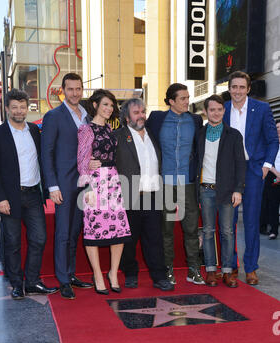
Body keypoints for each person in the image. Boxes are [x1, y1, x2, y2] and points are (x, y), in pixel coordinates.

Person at [0, 89, 58, 300]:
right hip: (10, 197)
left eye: (22, 107)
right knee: (12, 243)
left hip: (34, 194)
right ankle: (17, 284)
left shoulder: (35, 131)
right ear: (7, 108)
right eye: (14, 107)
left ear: (28, 108)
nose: (19, 111)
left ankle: (33, 281)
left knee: (39, 238)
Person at [223, 71, 279, 285]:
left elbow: (273, 140)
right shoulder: (223, 109)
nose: (237, 91)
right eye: (234, 87)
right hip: (228, 173)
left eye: (241, 87)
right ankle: (231, 266)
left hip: (255, 171)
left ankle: (251, 268)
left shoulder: (262, 108)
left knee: (251, 221)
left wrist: (266, 167)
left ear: (248, 89)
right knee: (228, 223)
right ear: (229, 89)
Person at [146, 83, 204, 286]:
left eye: (188, 98)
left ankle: (194, 269)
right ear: (171, 101)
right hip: (165, 182)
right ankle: (167, 269)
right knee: (166, 229)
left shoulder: (196, 120)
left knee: (190, 228)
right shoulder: (156, 119)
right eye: (183, 98)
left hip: (188, 182)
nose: (187, 101)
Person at [41, 73, 93, 299]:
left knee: (74, 231)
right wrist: (52, 185)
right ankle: (63, 279)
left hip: (83, 183)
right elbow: (46, 153)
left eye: (78, 89)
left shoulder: (86, 115)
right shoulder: (53, 116)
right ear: (63, 90)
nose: (75, 93)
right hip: (62, 182)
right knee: (62, 232)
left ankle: (70, 274)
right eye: (70, 89)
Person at [112, 98, 173, 291]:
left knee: (154, 239)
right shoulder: (118, 137)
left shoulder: (152, 135)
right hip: (130, 194)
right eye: (136, 112)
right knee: (129, 239)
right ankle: (130, 273)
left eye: (143, 111)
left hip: (152, 195)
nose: (141, 116)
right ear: (126, 116)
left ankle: (159, 277)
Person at [77, 89, 131, 294]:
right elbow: (82, 162)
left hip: (113, 181)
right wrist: (88, 187)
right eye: (105, 104)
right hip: (95, 182)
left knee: (119, 229)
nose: (109, 109)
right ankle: (98, 274)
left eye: (111, 105)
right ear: (95, 106)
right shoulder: (86, 130)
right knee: (93, 229)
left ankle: (113, 273)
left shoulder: (110, 128)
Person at [197, 95, 246, 287]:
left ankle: (227, 271)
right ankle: (210, 270)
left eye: (219, 109)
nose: (215, 113)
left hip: (227, 191)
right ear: (206, 112)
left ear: (224, 111)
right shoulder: (199, 134)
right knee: (208, 231)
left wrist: (238, 189)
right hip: (205, 190)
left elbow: (240, 165)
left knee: (227, 232)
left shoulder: (233, 135)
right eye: (212, 110)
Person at [267, 122, 280, 239]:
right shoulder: (271, 144)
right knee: (273, 205)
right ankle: (274, 230)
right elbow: (267, 160)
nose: (279, 129)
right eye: (277, 127)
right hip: (273, 177)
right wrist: (277, 173)